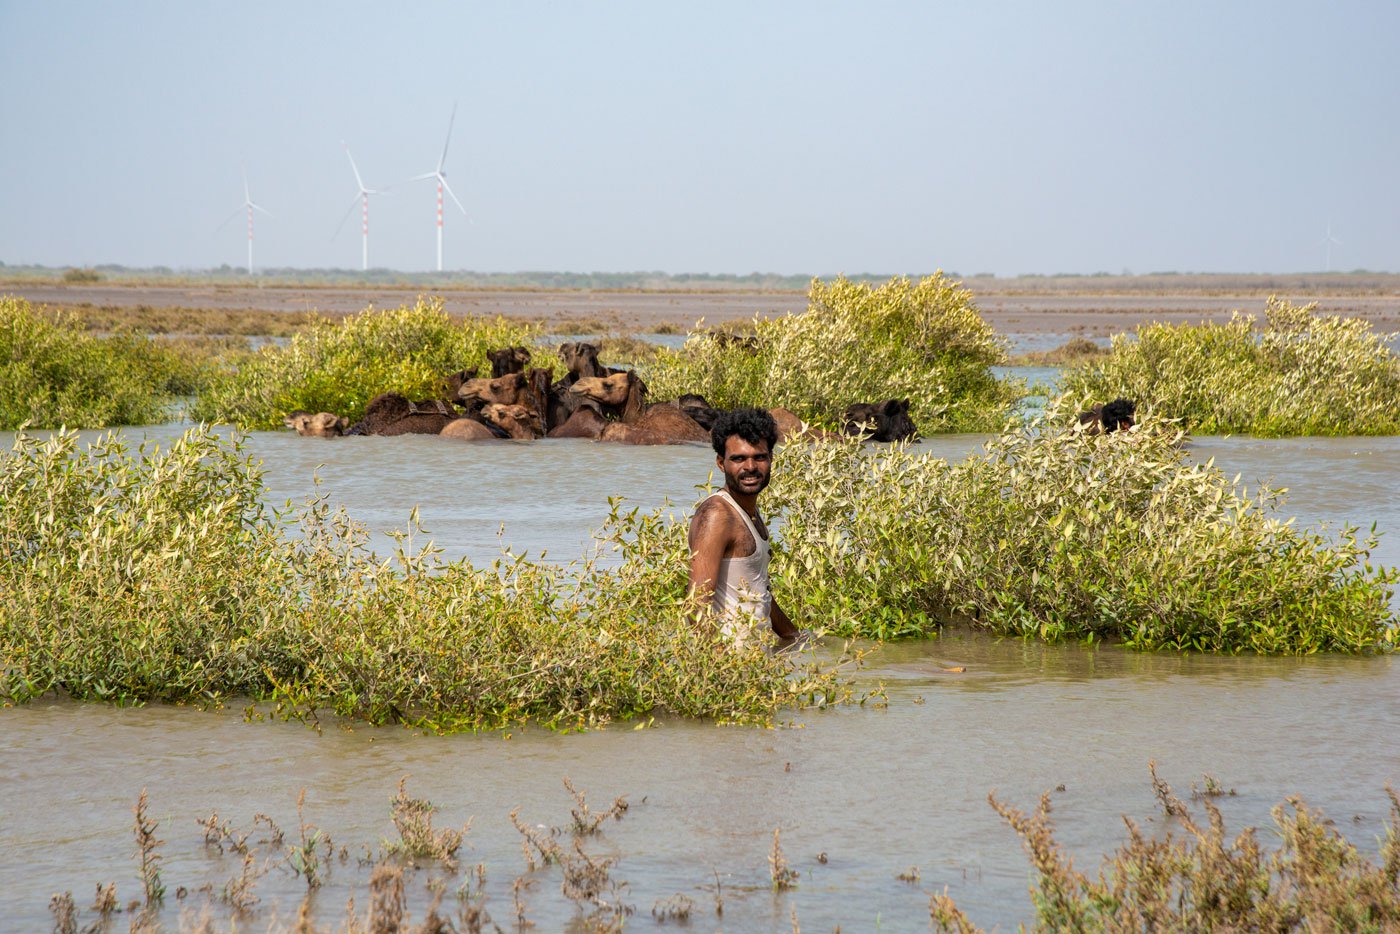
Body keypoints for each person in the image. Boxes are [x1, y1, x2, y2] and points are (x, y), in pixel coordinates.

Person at [687, 407, 802, 646]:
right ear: (721, 463)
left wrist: (794, 636)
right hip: (733, 669)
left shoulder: (750, 513)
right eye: (738, 458)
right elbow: (696, 606)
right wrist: (724, 673)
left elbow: (759, 594)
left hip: (756, 663)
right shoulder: (718, 515)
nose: (750, 467)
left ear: (771, 458)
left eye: (759, 457)